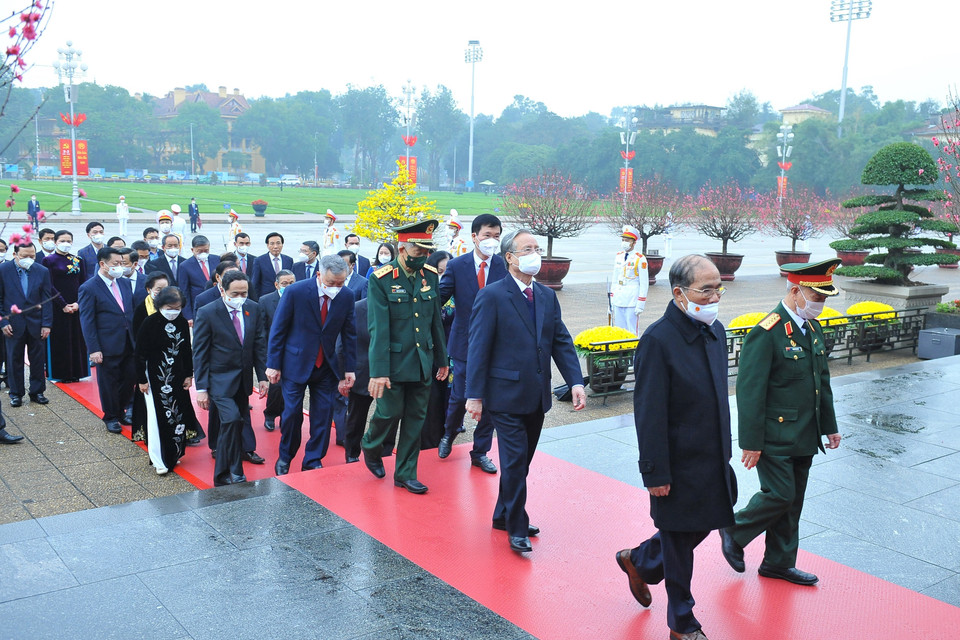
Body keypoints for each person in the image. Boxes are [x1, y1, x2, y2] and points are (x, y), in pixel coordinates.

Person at [615, 254, 735, 640]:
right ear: (680, 294)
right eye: (706, 289)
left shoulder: (716, 331)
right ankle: (682, 623)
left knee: (692, 531)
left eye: (719, 288)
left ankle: (640, 560)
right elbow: (648, 413)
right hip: (676, 462)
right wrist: (655, 472)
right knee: (680, 542)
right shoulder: (657, 340)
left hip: (713, 457)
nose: (715, 296)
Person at [720, 259, 842, 588]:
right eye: (816, 297)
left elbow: (822, 382)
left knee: (793, 502)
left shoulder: (812, 328)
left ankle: (778, 563)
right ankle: (734, 529)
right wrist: (751, 442)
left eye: (824, 298)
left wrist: (829, 426)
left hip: (805, 433)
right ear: (794, 291)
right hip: (773, 434)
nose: (820, 304)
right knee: (780, 494)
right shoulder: (767, 332)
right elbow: (749, 392)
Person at [465, 229, 585, 553]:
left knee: (523, 462)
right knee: (515, 462)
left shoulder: (546, 296)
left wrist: (575, 381)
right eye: (527, 249)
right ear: (510, 258)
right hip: (503, 396)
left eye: (537, 248)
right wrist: (474, 396)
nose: (535, 254)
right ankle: (516, 527)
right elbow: (478, 348)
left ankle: (503, 514)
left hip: (537, 397)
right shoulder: (491, 296)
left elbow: (560, 340)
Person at [361, 220, 448, 494]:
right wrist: (378, 372)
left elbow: (435, 321)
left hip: (423, 361)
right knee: (388, 413)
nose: (424, 256)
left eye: (427, 251)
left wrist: (442, 359)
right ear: (402, 247)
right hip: (394, 364)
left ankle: (405, 473)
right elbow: (379, 330)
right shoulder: (381, 279)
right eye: (418, 251)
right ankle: (371, 446)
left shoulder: (430, 275)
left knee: (415, 419)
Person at [267, 255, 357, 474]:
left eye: (340, 283)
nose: (336, 288)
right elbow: (279, 329)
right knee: (291, 415)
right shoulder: (295, 292)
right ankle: (285, 457)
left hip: (326, 365)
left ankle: (314, 459)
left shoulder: (346, 295)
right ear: (319, 275)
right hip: (295, 363)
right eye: (331, 283)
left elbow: (349, 334)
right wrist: (273, 364)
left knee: (323, 416)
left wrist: (350, 369)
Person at [437, 213, 507, 472]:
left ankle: (480, 452)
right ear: (475, 237)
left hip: (496, 344)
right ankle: (448, 433)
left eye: (496, 237)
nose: (492, 241)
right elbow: (441, 297)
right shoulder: (457, 265)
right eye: (487, 236)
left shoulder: (503, 265)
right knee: (460, 396)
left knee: (490, 400)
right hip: (465, 342)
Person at [192, 270, 268, 487]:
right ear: (223, 290)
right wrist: (202, 388)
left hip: (242, 380)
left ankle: (228, 471)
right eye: (235, 293)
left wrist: (262, 377)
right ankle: (230, 470)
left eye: (244, 293)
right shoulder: (208, 312)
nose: (240, 298)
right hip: (218, 380)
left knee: (236, 422)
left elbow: (259, 344)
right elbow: (200, 352)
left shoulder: (252, 308)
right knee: (232, 419)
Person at [132, 286, 201, 474]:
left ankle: (174, 453)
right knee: (157, 418)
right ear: (161, 305)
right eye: (170, 307)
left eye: (177, 308)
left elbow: (187, 350)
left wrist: (189, 374)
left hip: (176, 379)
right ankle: (159, 459)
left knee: (177, 416)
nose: (173, 311)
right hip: (155, 379)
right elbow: (139, 354)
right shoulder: (150, 323)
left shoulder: (181, 322)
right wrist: (141, 379)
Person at [78, 246, 136, 434]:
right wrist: (93, 348)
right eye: (116, 264)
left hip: (129, 341)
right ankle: (111, 416)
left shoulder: (125, 283)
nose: (120, 267)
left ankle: (120, 410)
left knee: (129, 378)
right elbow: (87, 320)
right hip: (107, 343)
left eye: (122, 263)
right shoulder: (89, 288)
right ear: (103, 264)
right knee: (109, 382)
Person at [0, 242, 53, 407]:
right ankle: (16, 393)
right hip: (13, 323)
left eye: (32, 256)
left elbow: (47, 299)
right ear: (15, 254)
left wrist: (46, 324)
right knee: (14, 359)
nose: (29, 259)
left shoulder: (42, 271)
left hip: (36, 323)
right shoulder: (3, 270)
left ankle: (37, 391)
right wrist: (4, 321)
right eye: (24, 256)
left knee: (37, 359)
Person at [43, 231, 87, 382]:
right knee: (61, 340)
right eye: (62, 240)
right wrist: (62, 304)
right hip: (58, 306)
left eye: (69, 240)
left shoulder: (77, 260)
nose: (66, 243)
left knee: (77, 339)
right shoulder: (48, 260)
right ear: (55, 242)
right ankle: (62, 373)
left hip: (76, 305)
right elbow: (49, 285)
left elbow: (83, 283)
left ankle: (77, 372)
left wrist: (78, 303)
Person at [422, 250, 454, 449]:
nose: (444, 276)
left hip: (452, 353)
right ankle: (427, 443)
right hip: (430, 352)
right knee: (430, 403)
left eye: (448, 272)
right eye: (440, 271)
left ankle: (447, 435)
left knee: (449, 401)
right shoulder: (425, 292)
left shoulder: (458, 293)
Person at [259, 269, 294, 432]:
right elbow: (263, 329)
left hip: (294, 351)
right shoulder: (265, 301)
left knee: (292, 387)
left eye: (291, 283)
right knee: (276, 386)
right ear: (276, 284)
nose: (288, 286)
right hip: (274, 350)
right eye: (284, 283)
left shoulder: (301, 298)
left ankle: (286, 417)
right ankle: (271, 414)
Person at [610, 225, 649, 334]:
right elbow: (614, 279)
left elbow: (644, 284)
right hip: (619, 298)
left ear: (634, 242)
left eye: (627, 240)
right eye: (623, 240)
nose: (624, 243)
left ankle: (633, 351)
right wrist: (611, 300)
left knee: (631, 331)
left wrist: (640, 304)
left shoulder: (639, 259)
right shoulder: (618, 256)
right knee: (619, 330)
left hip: (632, 300)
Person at [178, 235, 219, 324]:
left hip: (217, 304)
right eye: (199, 251)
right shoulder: (185, 266)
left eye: (206, 250)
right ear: (192, 250)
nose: (203, 253)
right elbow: (184, 291)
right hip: (198, 307)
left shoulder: (217, 260)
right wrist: (188, 316)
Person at [251, 232, 292, 302]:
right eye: (272, 243)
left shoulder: (288, 260)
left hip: (286, 298)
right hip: (267, 299)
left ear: (282, 245)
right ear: (267, 245)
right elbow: (255, 283)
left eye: (278, 243)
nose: (275, 246)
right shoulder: (259, 261)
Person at [133, 272, 168, 337]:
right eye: (158, 289)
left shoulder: (173, 305)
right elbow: (137, 333)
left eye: (165, 289)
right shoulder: (141, 309)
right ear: (149, 289)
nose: (163, 292)